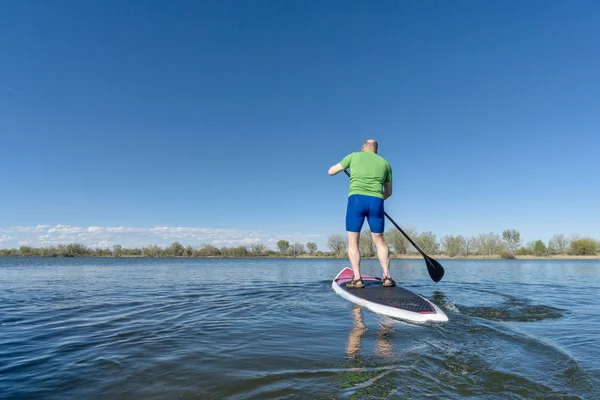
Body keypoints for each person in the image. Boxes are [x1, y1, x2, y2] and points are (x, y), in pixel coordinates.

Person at [328, 139, 395, 288]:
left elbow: (331, 172)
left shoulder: (353, 156)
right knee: (379, 240)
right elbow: (389, 192)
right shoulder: (385, 163)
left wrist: (344, 166)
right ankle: (387, 277)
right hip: (376, 202)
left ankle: (357, 279)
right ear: (377, 150)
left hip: (356, 201)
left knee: (353, 240)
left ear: (363, 148)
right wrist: (377, 201)